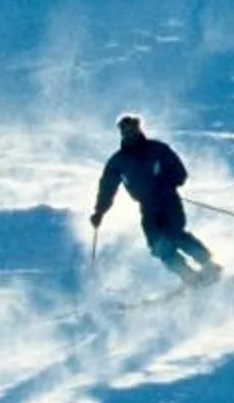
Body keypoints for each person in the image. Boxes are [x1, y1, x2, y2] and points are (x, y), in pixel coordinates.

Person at [91, 112, 219, 286]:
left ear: (138, 129)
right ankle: (189, 276)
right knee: (158, 245)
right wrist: (99, 211)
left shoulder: (158, 149)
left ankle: (208, 265)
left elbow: (180, 173)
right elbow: (107, 187)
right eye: (125, 131)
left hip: (168, 200)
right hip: (147, 206)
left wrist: (166, 184)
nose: (129, 135)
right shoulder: (118, 161)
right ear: (121, 133)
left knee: (173, 233)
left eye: (132, 130)